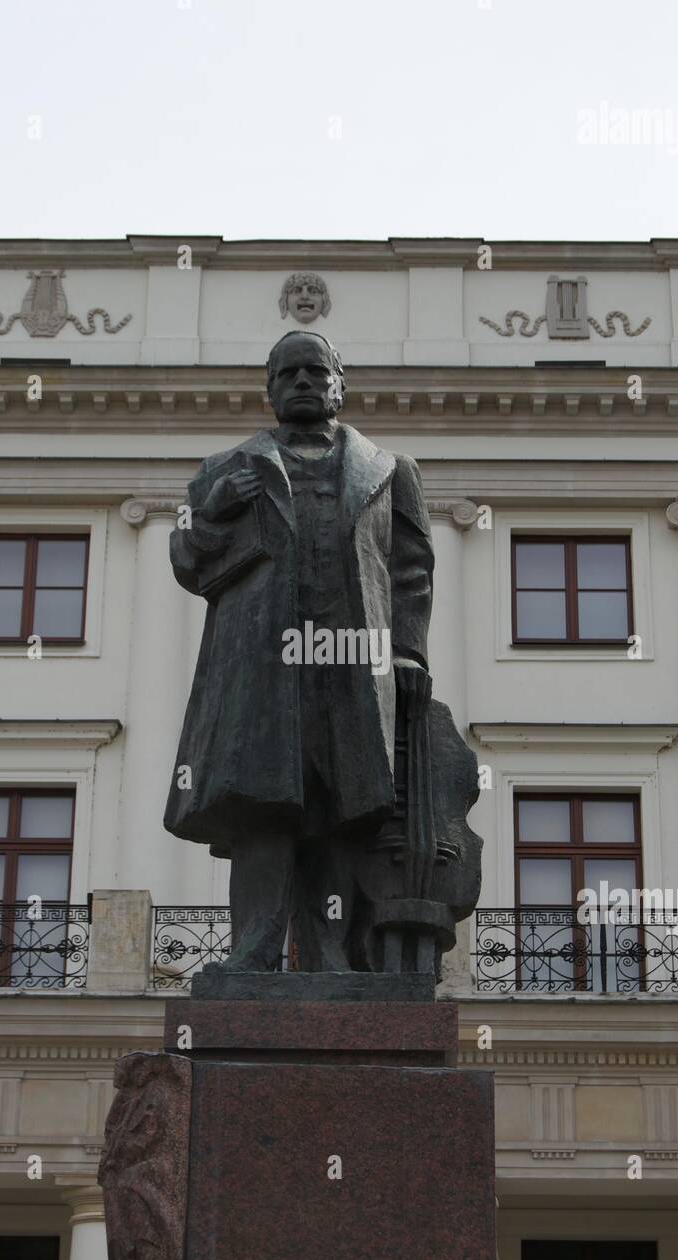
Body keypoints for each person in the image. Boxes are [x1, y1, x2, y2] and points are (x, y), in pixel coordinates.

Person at [165, 331, 434, 972]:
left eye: (317, 371)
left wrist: (410, 655)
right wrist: (213, 513)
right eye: (288, 374)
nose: (304, 382)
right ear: (270, 390)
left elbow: (411, 572)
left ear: (341, 383)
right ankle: (254, 948)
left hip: (351, 658)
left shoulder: (391, 471)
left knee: (344, 805)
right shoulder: (221, 470)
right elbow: (184, 559)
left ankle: (334, 954)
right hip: (262, 662)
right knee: (265, 805)